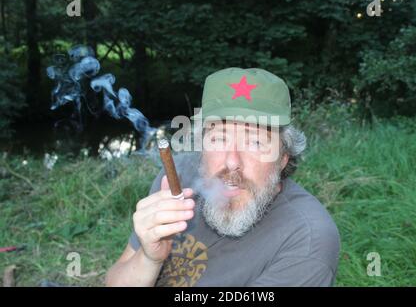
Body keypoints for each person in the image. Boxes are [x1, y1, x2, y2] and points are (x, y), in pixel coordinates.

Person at [105, 67, 340, 287]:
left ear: (282, 159)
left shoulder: (308, 239)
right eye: (219, 139)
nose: (232, 162)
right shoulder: (178, 175)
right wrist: (149, 258)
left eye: (255, 142)